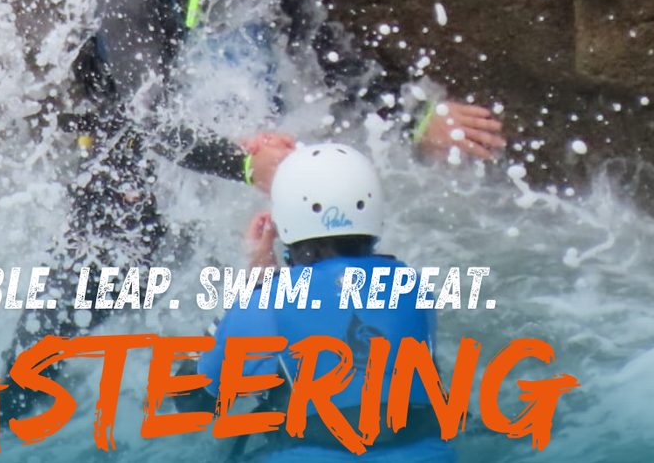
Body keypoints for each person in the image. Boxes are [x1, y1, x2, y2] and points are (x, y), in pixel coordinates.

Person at [1, 0, 504, 415]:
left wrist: (415, 117)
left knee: (268, 317)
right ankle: (7, 413)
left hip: (216, 174)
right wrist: (244, 165)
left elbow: (333, 51)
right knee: (51, 344)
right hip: (128, 181)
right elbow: (149, 119)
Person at [181, 143, 453, 462]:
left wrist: (253, 285)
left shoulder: (263, 303)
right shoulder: (414, 287)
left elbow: (190, 399)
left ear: (282, 222)